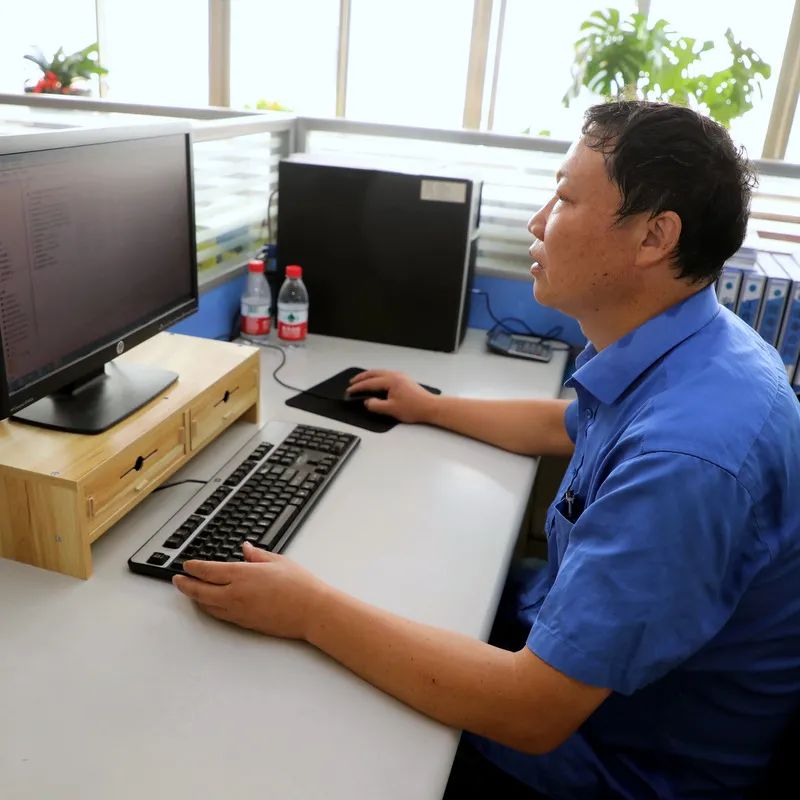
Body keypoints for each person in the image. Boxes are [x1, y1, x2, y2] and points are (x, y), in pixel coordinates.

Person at [173, 100, 800, 799]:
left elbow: (530, 713)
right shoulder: (702, 347)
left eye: (564, 199)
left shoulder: (689, 461)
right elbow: (569, 424)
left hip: (618, 764)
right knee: (400, 577)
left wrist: (309, 611)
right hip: (592, 686)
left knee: (293, 721)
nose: (536, 222)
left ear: (655, 236)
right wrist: (430, 407)